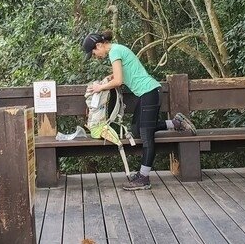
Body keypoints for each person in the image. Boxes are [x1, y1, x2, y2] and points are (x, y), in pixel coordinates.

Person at [82, 30, 197, 191]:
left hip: (150, 93)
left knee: (146, 135)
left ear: (99, 45)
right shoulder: (116, 50)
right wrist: (109, 77)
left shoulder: (114, 51)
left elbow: (119, 80)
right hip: (147, 94)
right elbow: (120, 75)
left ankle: (144, 177)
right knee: (137, 131)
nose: (95, 55)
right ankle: (176, 122)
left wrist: (99, 87)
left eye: (94, 52)